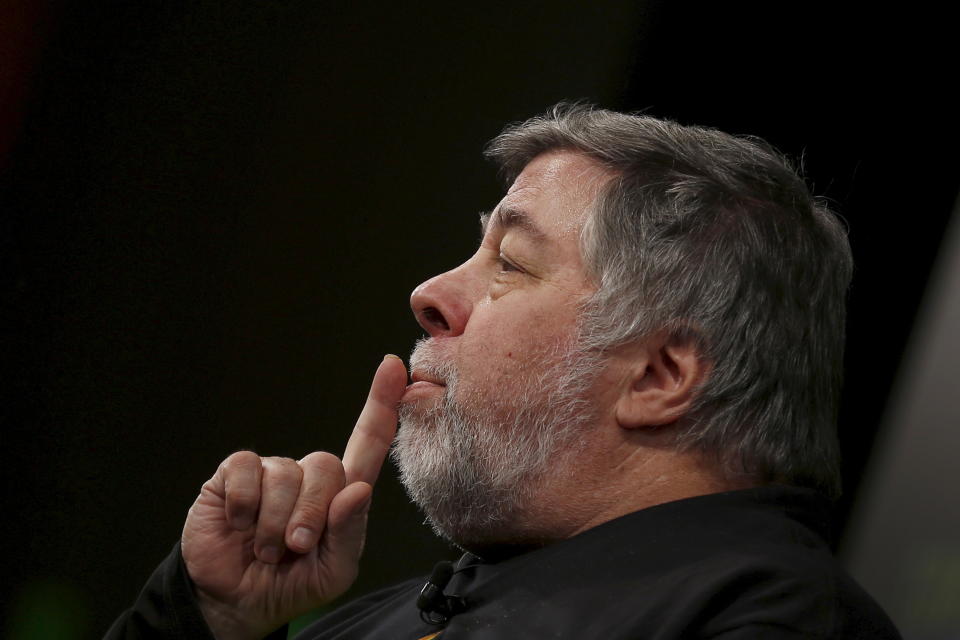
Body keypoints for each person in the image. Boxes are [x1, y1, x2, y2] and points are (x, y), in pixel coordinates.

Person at [108, 104, 901, 639]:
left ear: (659, 376)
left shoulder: (772, 619)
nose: (430, 295)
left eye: (511, 264)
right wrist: (205, 620)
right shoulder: (381, 619)